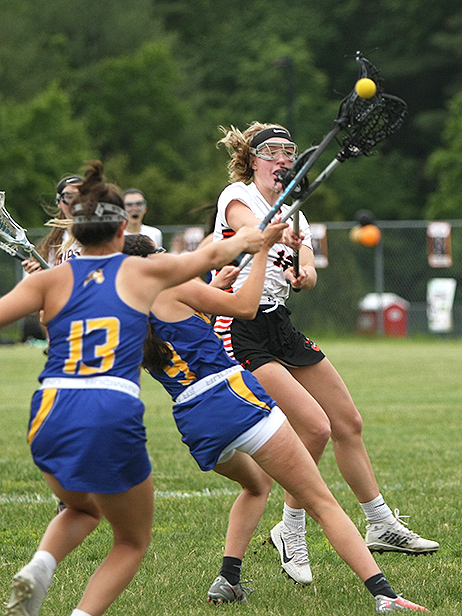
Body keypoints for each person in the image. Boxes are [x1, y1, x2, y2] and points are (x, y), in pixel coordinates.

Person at [0, 160, 272, 616]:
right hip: (108, 405)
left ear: (75, 230)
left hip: (48, 409)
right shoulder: (141, 272)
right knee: (131, 540)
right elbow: (207, 259)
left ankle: (41, 565)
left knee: (82, 510)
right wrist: (252, 239)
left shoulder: (49, 278)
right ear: (122, 225)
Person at [121, 234, 429, 613]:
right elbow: (246, 307)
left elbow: (180, 329)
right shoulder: (175, 287)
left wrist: (213, 287)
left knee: (256, 485)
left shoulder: (123, 314)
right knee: (323, 503)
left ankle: (229, 578)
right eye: (159, 253)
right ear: (148, 264)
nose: (167, 256)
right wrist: (262, 251)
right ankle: (386, 595)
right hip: (233, 400)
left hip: (193, 421)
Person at [212, 122, 438, 586]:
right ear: (253, 160)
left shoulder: (298, 215)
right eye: (271, 151)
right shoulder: (237, 197)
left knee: (347, 422)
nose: (281, 158)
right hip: (239, 325)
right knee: (313, 428)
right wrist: (277, 235)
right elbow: (250, 232)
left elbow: (309, 268)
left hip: (279, 323)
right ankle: (290, 528)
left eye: (288, 151)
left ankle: (378, 522)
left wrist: (304, 272)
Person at [21, 174, 84, 275]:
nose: (75, 203)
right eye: (69, 197)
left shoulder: (100, 238)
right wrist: (35, 276)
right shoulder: (49, 248)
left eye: (81, 196)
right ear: (59, 202)